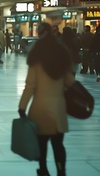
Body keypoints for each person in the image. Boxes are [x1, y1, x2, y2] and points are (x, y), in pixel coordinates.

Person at [18, 22, 74, 176]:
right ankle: (61, 171)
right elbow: (70, 81)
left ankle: (43, 170)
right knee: (58, 144)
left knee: (41, 145)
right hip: (58, 109)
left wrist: (22, 107)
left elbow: (30, 85)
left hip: (40, 108)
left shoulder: (36, 56)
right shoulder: (62, 55)